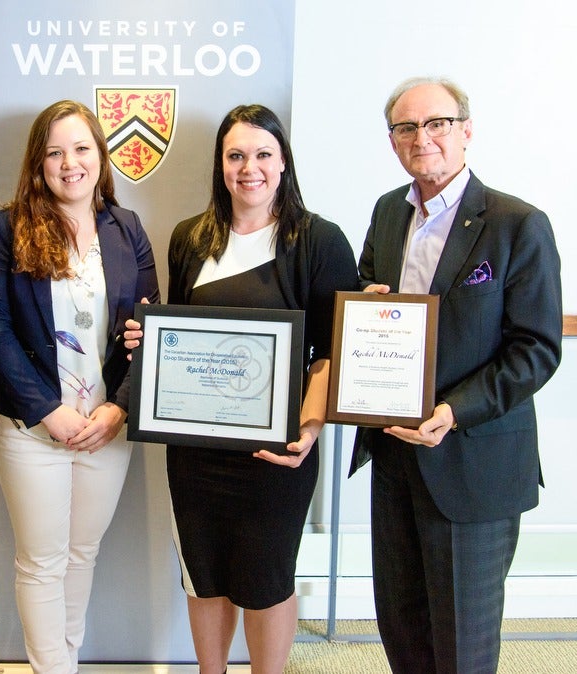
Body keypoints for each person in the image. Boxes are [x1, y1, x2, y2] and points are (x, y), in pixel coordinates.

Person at [128, 104, 358, 673]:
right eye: (235, 156)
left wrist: (308, 429)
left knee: (267, 578)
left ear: (283, 163)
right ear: (220, 165)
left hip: (277, 453)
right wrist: (146, 337)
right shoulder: (190, 238)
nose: (248, 168)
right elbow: (176, 336)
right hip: (196, 450)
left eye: (261, 154)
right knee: (203, 576)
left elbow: (331, 351)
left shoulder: (319, 240)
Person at [349, 76, 562, 673]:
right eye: (407, 127)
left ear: (466, 130)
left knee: (463, 647)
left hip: (473, 464)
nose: (424, 138)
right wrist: (368, 303)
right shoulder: (389, 212)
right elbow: (367, 294)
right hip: (395, 460)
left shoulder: (518, 224)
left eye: (437, 123)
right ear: (393, 142)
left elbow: (536, 349)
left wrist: (453, 411)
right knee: (403, 630)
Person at [0, 99, 160, 674]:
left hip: (107, 427)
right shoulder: (9, 227)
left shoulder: (127, 229)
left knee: (82, 555)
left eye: (81, 148)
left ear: (101, 157)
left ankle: (66, 663)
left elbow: (151, 327)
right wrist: (46, 409)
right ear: (38, 162)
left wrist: (119, 410)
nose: (69, 162)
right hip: (34, 429)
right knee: (41, 562)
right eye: (55, 151)